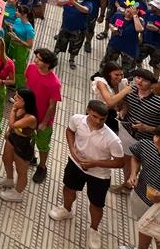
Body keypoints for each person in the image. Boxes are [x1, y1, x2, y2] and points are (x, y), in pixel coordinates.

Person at [48, 100, 125, 249]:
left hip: (99, 175)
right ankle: (67, 209)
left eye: (102, 119)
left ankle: (94, 230)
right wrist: (72, 148)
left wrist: (95, 163)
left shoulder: (113, 139)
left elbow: (119, 162)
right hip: (75, 164)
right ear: (88, 110)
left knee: (96, 204)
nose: (98, 121)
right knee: (69, 188)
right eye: (95, 117)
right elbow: (70, 131)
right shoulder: (77, 119)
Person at [112, 68, 160, 195]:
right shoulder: (130, 91)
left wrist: (147, 128)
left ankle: (137, 188)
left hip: (145, 140)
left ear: (152, 85)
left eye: (145, 80)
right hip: (126, 131)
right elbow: (124, 104)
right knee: (126, 160)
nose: (139, 81)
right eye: (138, 78)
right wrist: (123, 110)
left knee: (139, 164)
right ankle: (127, 184)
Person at [25, 48, 62, 185]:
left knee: (42, 145)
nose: (35, 60)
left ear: (47, 64)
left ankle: (42, 167)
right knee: (29, 137)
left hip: (42, 119)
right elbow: (26, 85)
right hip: (28, 114)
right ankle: (31, 157)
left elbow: (52, 106)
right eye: (36, 57)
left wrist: (44, 123)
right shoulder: (31, 68)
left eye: (39, 59)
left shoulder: (54, 83)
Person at [0, 88, 39, 202]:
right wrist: (9, 132)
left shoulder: (31, 117)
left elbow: (13, 123)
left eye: (18, 97)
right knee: (6, 159)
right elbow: (13, 126)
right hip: (13, 137)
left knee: (21, 171)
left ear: (25, 101)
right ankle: (9, 179)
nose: (14, 98)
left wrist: (13, 109)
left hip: (23, 145)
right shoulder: (20, 108)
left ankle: (18, 193)